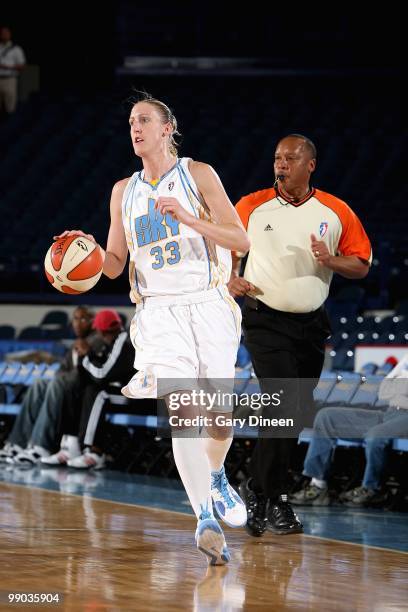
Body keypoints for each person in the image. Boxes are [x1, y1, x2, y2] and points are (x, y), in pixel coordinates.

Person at [55, 93, 250, 565]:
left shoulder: (198, 174)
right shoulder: (124, 190)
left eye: (144, 120)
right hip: (159, 312)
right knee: (183, 407)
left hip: (208, 305)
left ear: (168, 129)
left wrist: (188, 218)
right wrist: (86, 255)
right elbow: (117, 263)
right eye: (130, 122)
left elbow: (239, 238)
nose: (135, 128)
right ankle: (203, 516)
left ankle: (217, 474)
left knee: (218, 417)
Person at [229, 134, 372, 537]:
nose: (281, 163)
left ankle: (263, 494)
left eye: (291, 158)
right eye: (277, 157)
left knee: (292, 413)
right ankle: (269, 497)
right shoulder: (250, 206)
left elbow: (361, 264)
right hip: (264, 320)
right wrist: (230, 277)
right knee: (284, 403)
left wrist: (331, 260)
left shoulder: (336, 210)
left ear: (311, 164)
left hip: (312, 325)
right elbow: (219, 248)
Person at [290, 354, 408, 507]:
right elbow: (383, 390)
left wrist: (398, 385)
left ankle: (373, 489)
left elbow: (393, 386)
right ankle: (318, 486)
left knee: (376, 435)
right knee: (326, 417)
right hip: (389, 412)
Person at [0, 307, 102, 465]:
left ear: (93, 323)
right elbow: (61, 371)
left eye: (83, 319)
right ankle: (18, 443)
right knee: (40, 383)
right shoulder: (75, 344)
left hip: (86, 392)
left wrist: (69, 373)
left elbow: (87, 373)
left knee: (57, 383)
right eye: (75, 319)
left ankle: (40, 446)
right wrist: (65, 376)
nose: (77, 323)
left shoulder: (97, 341)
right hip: (68, 388)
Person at [43, 309, 135, 469]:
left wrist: (87, 356)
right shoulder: (112, 342)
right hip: (125, 390)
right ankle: (71, 444)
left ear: (101, 330)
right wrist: (88, 357)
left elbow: (102, 373)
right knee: (79, 387)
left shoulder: (123, 340)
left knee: (98, 393)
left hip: (138, 395)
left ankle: (93, 451)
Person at [0, 25, 26, 115]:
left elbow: (22, 66)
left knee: (10, 105)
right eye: (2, 33)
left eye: (6, 33)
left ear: (10, 34)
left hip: (10, 79)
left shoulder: (16, 49)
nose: (4, 34)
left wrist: (8, 67)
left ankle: (10, 125)